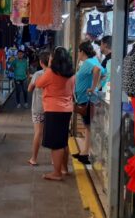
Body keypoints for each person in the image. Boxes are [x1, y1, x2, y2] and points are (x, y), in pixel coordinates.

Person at [35, 47, 75, 181]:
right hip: (67, 109)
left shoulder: (51, 72)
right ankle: (64, 169)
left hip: (53, 110)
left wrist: (48, 67)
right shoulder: (71, 72)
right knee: (63, 141)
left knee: (56, 144)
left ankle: (57, 173)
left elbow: (38, 83)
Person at [74, 42, 104, 165]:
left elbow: (98, 71)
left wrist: (93, 87)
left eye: (79, 52)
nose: (78, 54)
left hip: (86, 99)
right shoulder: (94, 60)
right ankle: (84, 152)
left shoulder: (88, 63)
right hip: (86, 99)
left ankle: (86, 154)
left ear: (82, 51)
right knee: (87, 127)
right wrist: (97, 86)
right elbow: (103, 73)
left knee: (88, 127)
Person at [27, 51, 50, 166]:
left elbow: (30, 89)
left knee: (38, 132)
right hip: (51, 108)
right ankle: (53, 159)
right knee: (51, 133)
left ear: (41, 63)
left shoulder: (38, 74)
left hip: (38, 107)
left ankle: (34, 158)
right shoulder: (56, 74)